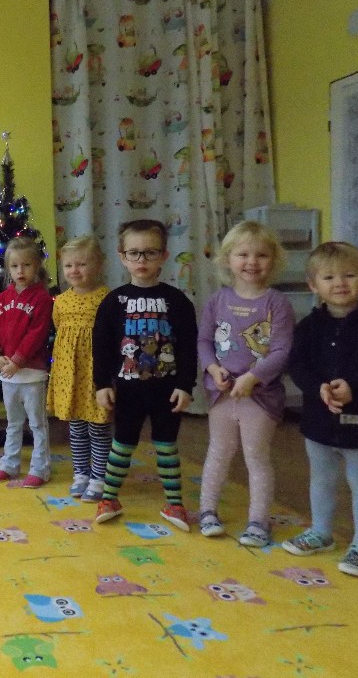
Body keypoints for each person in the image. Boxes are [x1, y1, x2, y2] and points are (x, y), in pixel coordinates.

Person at [282, 242, 358, 578]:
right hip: (318, 421)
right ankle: (321, 532)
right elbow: (298, 366)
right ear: (313, 285)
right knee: (321, 478)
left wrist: (356, 388)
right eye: (329, 277)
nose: (339, 283)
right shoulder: (308, 326)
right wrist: (317, 388)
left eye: (349, 275)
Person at [92, 219, 198, 529]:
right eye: (134, 253)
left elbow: (189, 347)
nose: (142, 260)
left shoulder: (178, 301)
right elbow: (101, 347)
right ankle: (109, 498)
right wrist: (102, 384)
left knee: (167, 445)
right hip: (128, 390)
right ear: (122, 256)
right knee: (122, 444)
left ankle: (174, 504)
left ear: (164, 255)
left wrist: (186, 385)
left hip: (168, 390)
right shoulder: (113, 302)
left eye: (150, 253)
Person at [196, 221, 294, 546]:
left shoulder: (277, 303)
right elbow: (204, 341)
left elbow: (281, 350)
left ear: (273, 260)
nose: (252, 262)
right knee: (219, 451)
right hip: (222, 393)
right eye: (243, 254)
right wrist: (213, 369)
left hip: (261, 396)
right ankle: (207, 511)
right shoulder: (217, 300)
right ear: (228, 259)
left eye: (261, 255)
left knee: (256, 456)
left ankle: (258, 522)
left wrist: (253, 378)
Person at [0, 237, 54, 488]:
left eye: (26, 265)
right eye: (14, 266)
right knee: (13, 423)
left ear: (37, 266)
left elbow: (37, 334)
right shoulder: (3, 298)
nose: (20, 271)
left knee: (37, 423)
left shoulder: (41, 298)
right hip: (8, 374)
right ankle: (9, 463)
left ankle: (40, 468)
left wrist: (17, 360)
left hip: (32, 374)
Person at [46, 236, 110, 501]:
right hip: (69, 373)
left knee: (98, 425)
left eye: (82, 264)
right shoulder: (60, 301)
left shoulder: (107, 298)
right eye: (69, 265)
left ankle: (99, 477)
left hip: (95, 373)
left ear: (98, 265)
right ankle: (81, 473)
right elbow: (59, 327)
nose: (74, 270)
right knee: (76, 425)